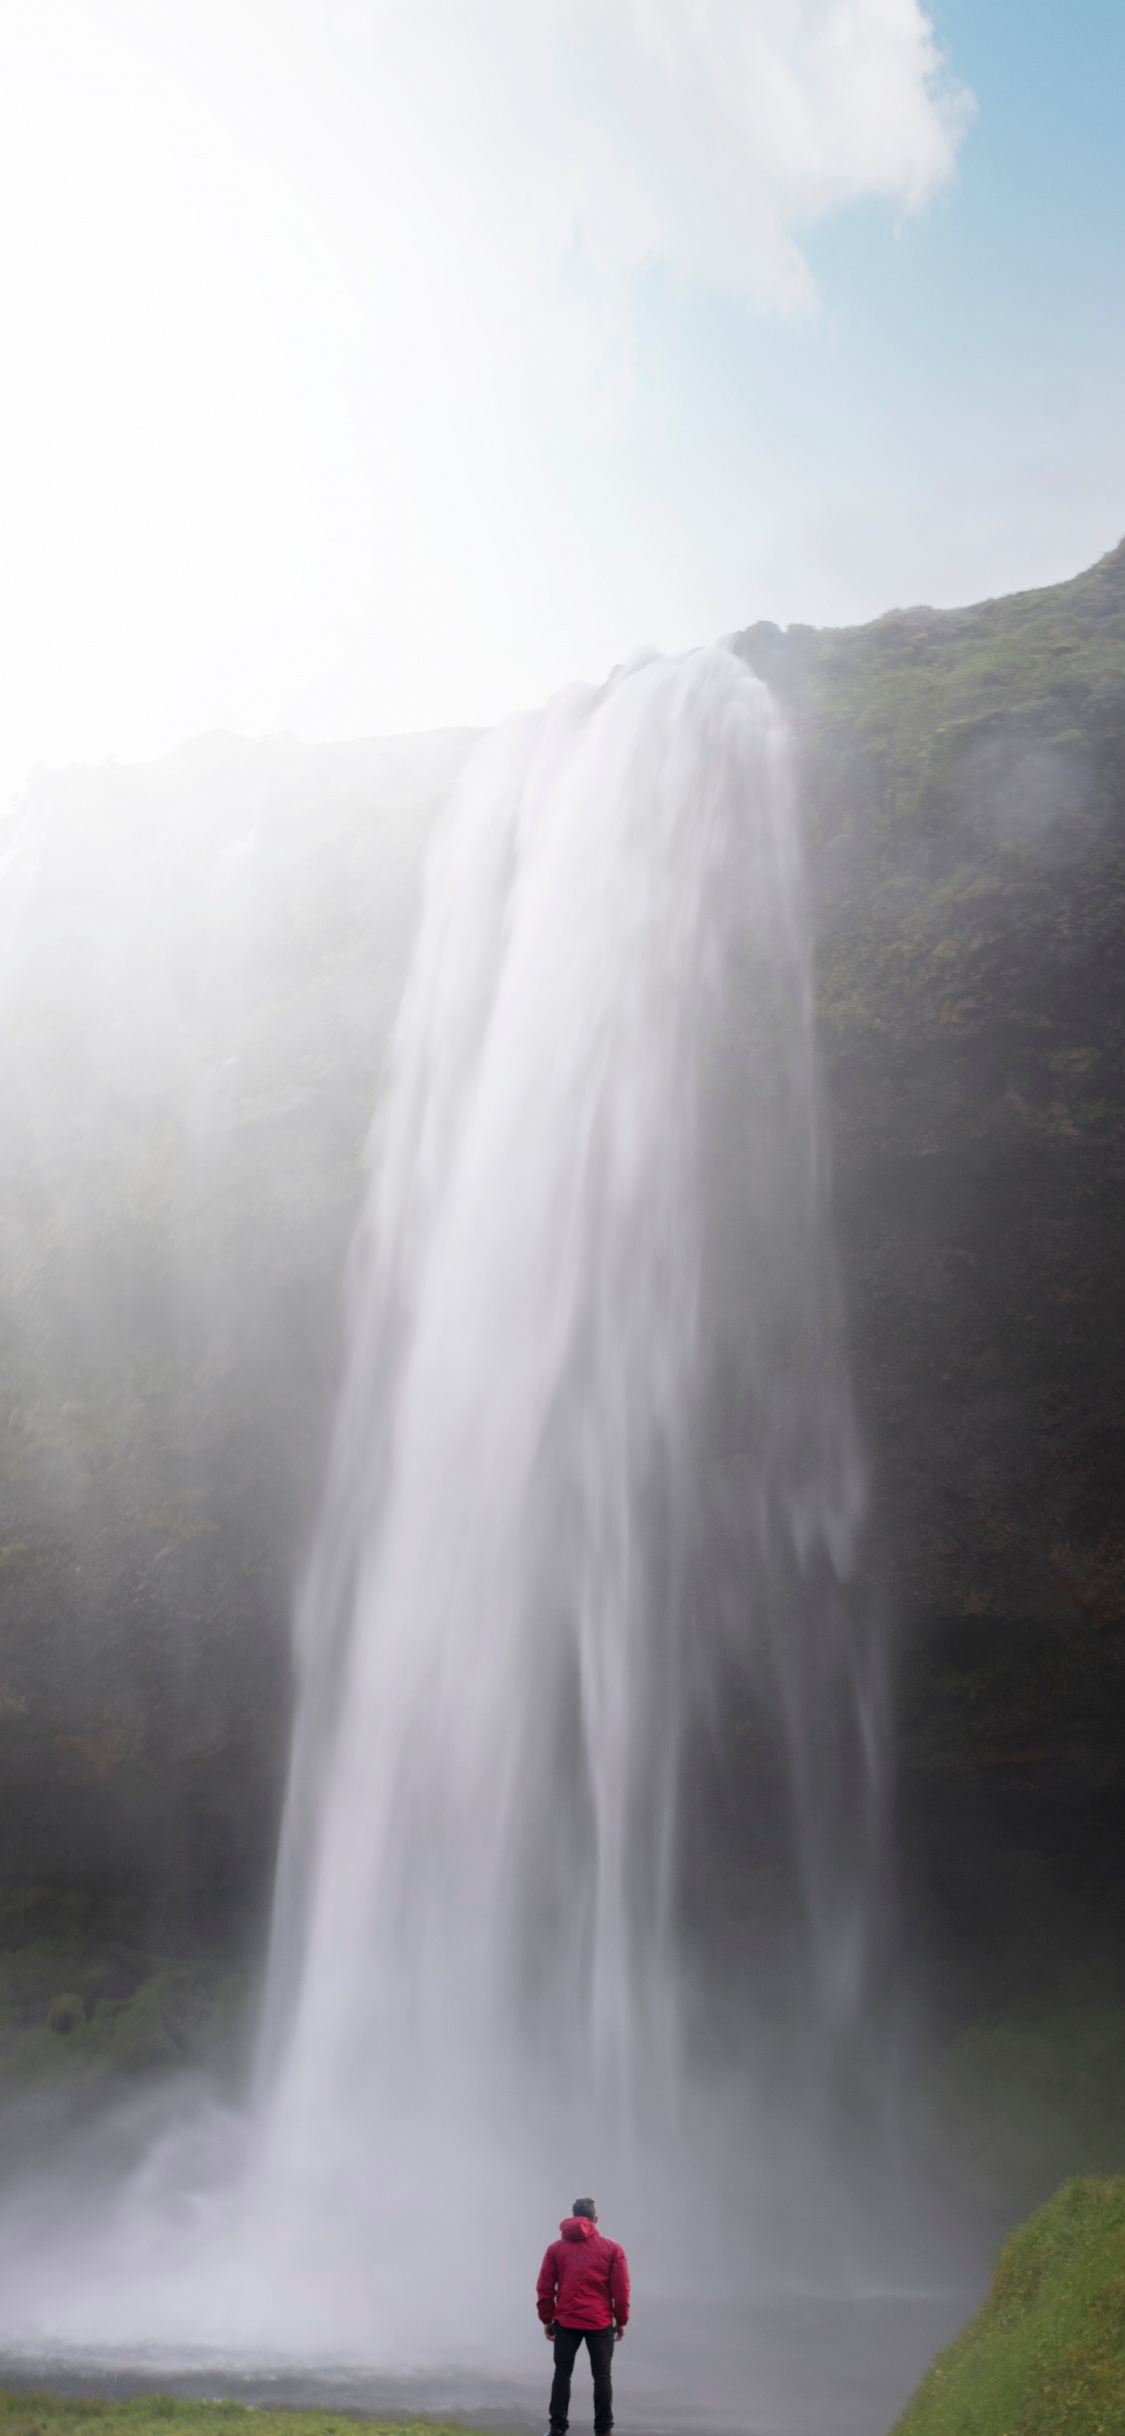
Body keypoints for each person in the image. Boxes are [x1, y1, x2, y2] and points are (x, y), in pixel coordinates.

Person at [536, 2196, 630, 2436]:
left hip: (566, 2321)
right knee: (602, 2375)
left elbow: (545, 2287)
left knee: (562, 2374)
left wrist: (547, 2318)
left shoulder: (555, 2249)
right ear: (595, 2219)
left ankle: (557, 2430)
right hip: (599, 2323)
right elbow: (621, 2290)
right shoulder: (613, 2248)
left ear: (573, 2216)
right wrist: (621, 2321)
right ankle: (603, 2431)